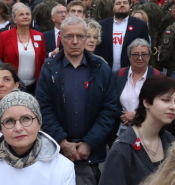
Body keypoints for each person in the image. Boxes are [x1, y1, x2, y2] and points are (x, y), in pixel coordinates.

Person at [37, 16, 119, 176]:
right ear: (61, 38)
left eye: (80, 36)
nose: (75, 41)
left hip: (90, 154)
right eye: (69, 36)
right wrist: (62, 141)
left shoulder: (102, 69)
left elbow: (109, 109)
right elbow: (44, 108)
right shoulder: (49, 69)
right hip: (56, 152)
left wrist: (90, 142)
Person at [0, 4, 47, 93]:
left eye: (27, 14)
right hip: (11, 84)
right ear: (14, 19)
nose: (25, 17)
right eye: (21, 14)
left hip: (34, 85)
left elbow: (42, 60)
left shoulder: (39, 35)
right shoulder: (4, 36)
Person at [96, 0, 150, 72]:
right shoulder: (102, 25)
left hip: (130, 72)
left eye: (125, 3)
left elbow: (146, 49)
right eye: (118, 3)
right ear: (113, 7)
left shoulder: (140, 25)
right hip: (106, 71)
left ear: (130, 6)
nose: (122, 5)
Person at [115, 39, 158, 128]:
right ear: (129, 56)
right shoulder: (117, 75)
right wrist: (123, 116)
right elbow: (110, 102)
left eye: (144, 54)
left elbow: (160, 105)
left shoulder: (158, 77)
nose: (140, 58)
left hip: (149, 128)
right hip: (120, 127)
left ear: (149, 56)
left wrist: (138, 116)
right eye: (135, 54)